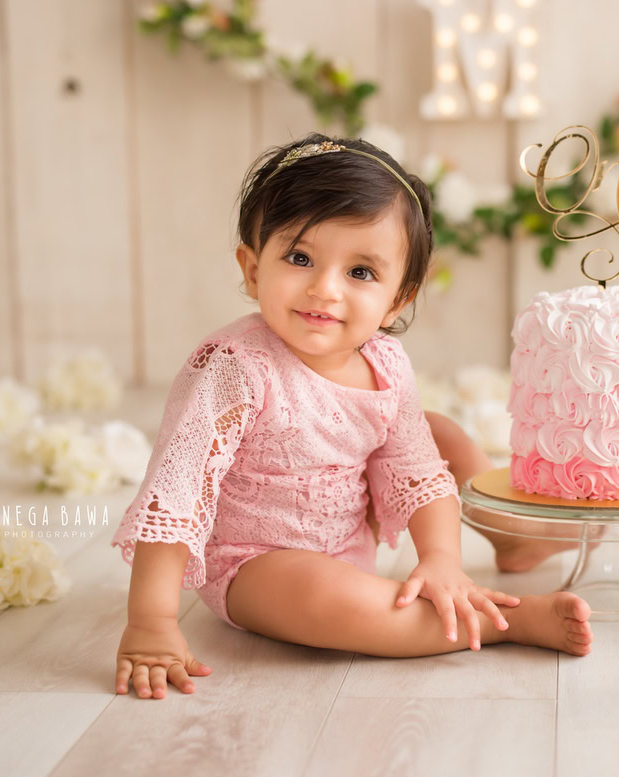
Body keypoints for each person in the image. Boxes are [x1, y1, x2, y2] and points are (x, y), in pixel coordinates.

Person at [112, 133, 593, 700]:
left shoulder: (386, 363)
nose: (324, 288)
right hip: (255, 564)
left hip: (348, 533)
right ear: (252, 268)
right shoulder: (233, 368)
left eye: (360, 272)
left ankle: (510, 536)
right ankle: (500, 622)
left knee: (436, 435)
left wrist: (441, 560)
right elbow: (178, 493)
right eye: (299, 258)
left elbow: (418, 474)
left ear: (398, 298)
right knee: (329, 599)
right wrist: (151, 623)